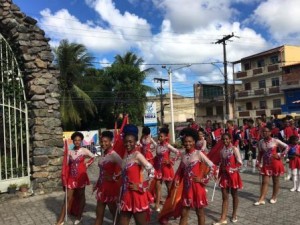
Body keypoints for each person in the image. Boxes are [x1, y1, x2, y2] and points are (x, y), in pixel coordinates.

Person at [174, 128, 216, 225]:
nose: (188, 143)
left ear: (194, 142)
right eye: (185, 141)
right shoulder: (184, 155)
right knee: (184, 213)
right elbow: (180, 170)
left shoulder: (198, 153)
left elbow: (213, 166)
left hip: (197, 188)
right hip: (187, 189)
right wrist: (177, 179)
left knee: (199, 213)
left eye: (190, 141)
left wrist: (203, 180)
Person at [56, 132, 95, 225]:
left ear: (81, 141)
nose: (77, 142)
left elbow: (93, 157)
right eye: (75, 140)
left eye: (79, 140)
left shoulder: (84, 150)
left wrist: (87, 164)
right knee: (67, 198)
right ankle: (60, 220)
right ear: (73, 141)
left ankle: (79, 216)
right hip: (71, 178)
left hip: (81, 177)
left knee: (81, 196)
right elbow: (67, 165)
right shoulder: (69, 151)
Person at [119, 124, 155, 225]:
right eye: (125, 141)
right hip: (126, 195)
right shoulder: (126, 156)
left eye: (130, 141)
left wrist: (141, 186)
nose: (128, 144)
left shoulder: (137, 155)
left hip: (137, 196)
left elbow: (152, 171)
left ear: (135, 142)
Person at [212, 133, 243, 225]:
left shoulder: (234, 149)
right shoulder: (221, 151)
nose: (225, 141)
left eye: (227, 139)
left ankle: (234, 214)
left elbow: (240, 163)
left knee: (234, 195)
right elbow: (221, 164)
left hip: (233, 176)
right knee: (224, 197)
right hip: (224, 176)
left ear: (230, 139)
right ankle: (223, 218)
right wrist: (218, 173)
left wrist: (231, 169)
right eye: (223, 139)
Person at [254, 127, 288, 206]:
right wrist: (258, 162)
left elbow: (287, 147)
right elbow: (260, 153)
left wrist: (280, 155)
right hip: (266, 164)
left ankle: (274, 197)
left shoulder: (275, 140)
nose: (264, 133)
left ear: (270, 132)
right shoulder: (260, 142)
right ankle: (261, 199)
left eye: (266, 131)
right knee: (264, 182)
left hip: (275, 163)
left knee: (275, 181)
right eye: (263, 132)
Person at [94, 131, 122, 225]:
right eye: (102, 141)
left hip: (110, 188)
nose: (103, 144)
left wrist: (114, 177)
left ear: (111, 141)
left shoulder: (113, 154)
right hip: (102, 187)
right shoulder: (103, 154)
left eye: (106, 141)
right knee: (99, 214)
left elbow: (126, 167)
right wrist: (97, 184)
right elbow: (101, 172)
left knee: (114, 213)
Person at [153, 127, 180, 211]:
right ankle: (157, 205)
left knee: (169, 189)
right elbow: (157, 157)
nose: (159, 137)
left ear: (165, 137)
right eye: (159, 136)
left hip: (167, 169)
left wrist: (170, 161)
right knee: (158, 187)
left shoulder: (167, 145)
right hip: (158, 169)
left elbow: (178, 152)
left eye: (161, 136)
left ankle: (171, 205)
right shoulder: (157, 146)